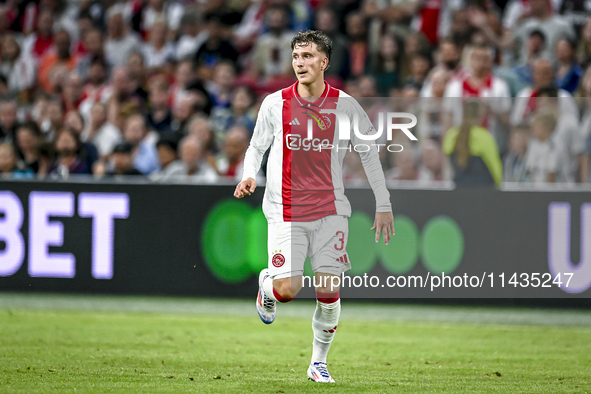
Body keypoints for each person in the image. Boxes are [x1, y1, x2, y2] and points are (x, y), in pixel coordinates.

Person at [233, 30, 394, 383]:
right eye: (295, 57)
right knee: (289, 291)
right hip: (285, 210)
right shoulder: (274, 103)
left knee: (328, 289)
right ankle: (267, 286)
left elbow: (369, 154)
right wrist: (249, 175)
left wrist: (383, 202)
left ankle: (318, 363)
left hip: (331, 210)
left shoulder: (346, 106)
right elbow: (256, 147)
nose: (300, 63)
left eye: (307, 57)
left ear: (324, 62)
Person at [442, 100, 503, 188]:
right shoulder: (484, 136)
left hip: (459, 191)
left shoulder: (451, 135)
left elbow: (447, 166)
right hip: (483, 193)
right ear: (481, 116)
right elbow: (495, 168)